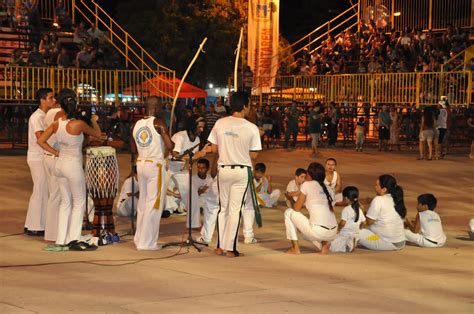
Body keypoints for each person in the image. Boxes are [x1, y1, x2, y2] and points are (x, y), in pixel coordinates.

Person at [37, 89, 103, 249]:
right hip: (72, 164)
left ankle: (61, 239)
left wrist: (55, 152)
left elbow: (41, 141)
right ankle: (73, 238)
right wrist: (93, 119)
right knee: (79, 201)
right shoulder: (78, 124)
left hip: (60, 163)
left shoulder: (56, 124)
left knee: (65, 202)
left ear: (63, 108)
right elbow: (98, 135)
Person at [208, 91, 262, 257]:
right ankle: (230, 248)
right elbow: (254, 155)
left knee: (223, 208)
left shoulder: (220, 123)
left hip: (223, 169)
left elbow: (214, 149)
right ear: (245, 106)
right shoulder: (251, 127)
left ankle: (219, 246)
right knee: (235, 209)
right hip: (241, 171)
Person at [130, 96, 174, 250]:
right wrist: (170, 145)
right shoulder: (158, 122)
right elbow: (169, 144)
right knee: (154, 204)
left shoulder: (137, 124)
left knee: (143, 202)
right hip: (155, 165)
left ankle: (139, 238)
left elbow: (133, 148)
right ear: (156, 107)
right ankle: (147, 243)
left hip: (141, 164)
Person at [284, 162, 337, 254]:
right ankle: (325, 245)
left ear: (310, 175)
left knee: (288, 212)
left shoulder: (307, 185)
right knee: (317, 222)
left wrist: (290, 198)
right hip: (333, 232)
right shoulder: (329, 189)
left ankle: (295, 248)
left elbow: (296, 208)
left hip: (318, 231)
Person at [25, 88, 55, 237]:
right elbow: (40, 138)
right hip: (37, 157)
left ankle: (35, 223)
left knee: (42, 190)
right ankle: (34, 225)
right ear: (42, 100)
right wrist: (55, 151)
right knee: (40, 190)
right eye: (50, 98)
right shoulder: (37, 117)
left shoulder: (45, 116)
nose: (53, 100)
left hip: (41, 156)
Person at [168, 116, 208, 229]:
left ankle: (193, 224)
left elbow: (192, 158)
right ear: (192, 126)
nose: (201, 130)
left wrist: (199, 154)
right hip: (167, 167)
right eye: (199, 127)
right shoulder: (180, 136)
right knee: (158, 196)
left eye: (203, 127)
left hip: (181, 169)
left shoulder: (197, 140)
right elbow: (175, 155)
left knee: (192, 195)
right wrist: (197, 155)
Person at [359, 175, 406, 251]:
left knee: (354, 231)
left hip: (384, 242)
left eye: (377, 185)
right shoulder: (396, 198)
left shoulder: (378, 199)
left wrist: (361, 210)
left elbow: (368, 222)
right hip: (401, 242)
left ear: (384, 189)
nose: (375, 187)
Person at [42, 97, 65, 242]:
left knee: (54, 195)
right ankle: (53, 233)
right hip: (54, 155)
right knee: (57, 196)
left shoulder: (49, 112)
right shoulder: (58, 113)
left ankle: (52, 231)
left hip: (47, 156)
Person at [242, 162, 281, 244]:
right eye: (257, 172)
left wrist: (269, 182)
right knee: (254, 198)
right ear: (254, 172)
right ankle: (265, 204)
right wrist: (261, 185)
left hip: (265, 197)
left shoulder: (264, 179)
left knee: (277, 192)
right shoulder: (251, 179)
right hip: (256, 197)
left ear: (263, 173)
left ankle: (266, 203)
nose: (259, 175)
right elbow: (254, 191)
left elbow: (269, 192)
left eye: (261, 173)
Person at [330, 186, 366, 253]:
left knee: (329, 245)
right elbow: (364, 222)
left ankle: (346, 245)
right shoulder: (359, 209)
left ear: (346, 198)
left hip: (344, 234)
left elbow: (343, 223)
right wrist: (359, 228)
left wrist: (338, 229)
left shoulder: (346, 209)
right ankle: (350, 243)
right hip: (355, 234)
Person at [195, 157, 219, 244]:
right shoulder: (194, 179)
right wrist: (201, 191)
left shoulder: (211, 177)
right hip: (199, 200)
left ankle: (206, 236)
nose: (200, 170)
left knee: (211, 212)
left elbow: (213, 174)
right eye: (199, 168)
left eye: (203, 168)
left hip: (212, 198)